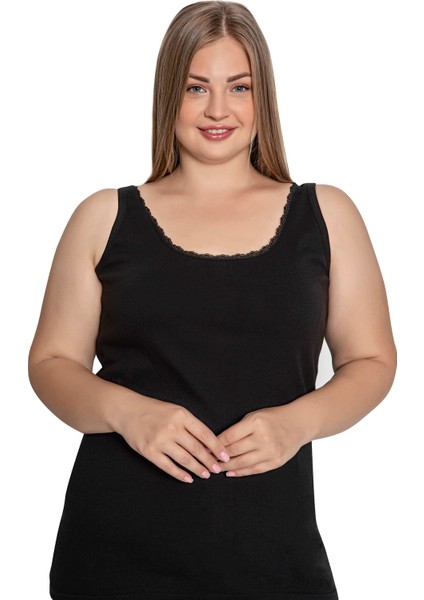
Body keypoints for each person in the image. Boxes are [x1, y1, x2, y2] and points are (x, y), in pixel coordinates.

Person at [28, 1, 396, 599]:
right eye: (196, 87)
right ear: (168, 94)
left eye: (238, 87)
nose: (218, 109)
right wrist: (127, 413)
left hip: (273, 555)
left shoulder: (326, 215)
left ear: (263, 95)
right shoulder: (103, 216)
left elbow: (373, 361)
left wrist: (296, 424)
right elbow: (50, 364)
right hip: (113, 554)